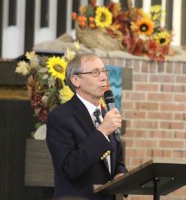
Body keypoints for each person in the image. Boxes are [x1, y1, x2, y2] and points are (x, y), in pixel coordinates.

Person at [46, 53, 128, 200]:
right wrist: (102, 132)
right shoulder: (60, 117)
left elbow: (118, 163)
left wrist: (120, 175)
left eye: (104, 71)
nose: (104, 77)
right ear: (76, 80)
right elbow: (70, 168)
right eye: (95, 72)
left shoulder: (107, 114)